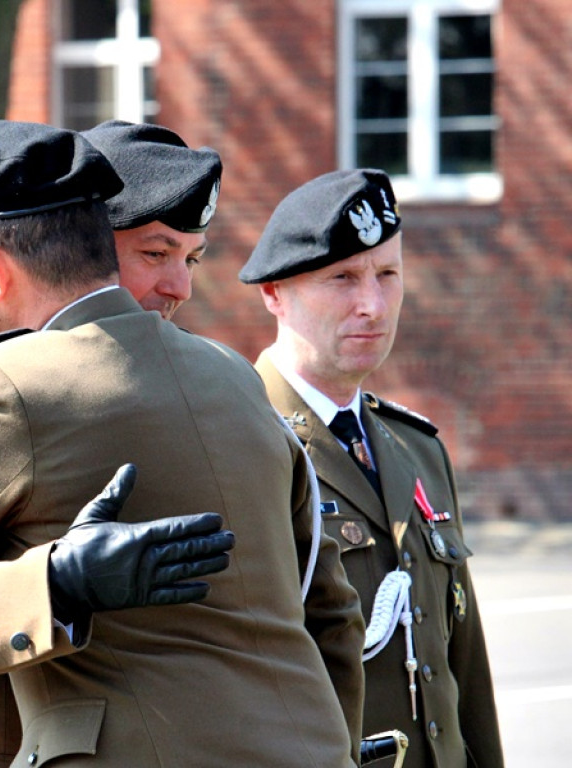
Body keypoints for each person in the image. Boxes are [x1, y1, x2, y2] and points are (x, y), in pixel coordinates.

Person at [0, 119, 363, 767]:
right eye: (154, 254)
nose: (180, 286)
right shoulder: (237, 377)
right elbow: (329, 611)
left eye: (190, 259)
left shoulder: (1, 385)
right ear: (95, 243)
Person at [239, 168, 504, 767]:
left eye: (388, 274)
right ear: (274, 292)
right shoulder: (240, 441)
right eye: (343, 278)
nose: (373, 305)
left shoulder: (417, 448)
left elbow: (465, 670)